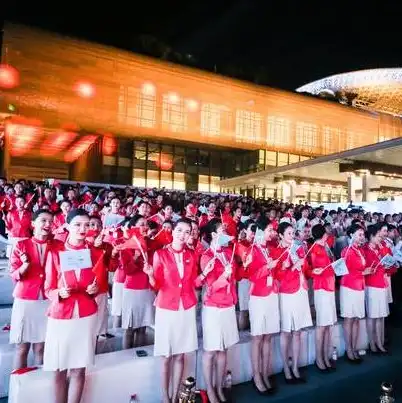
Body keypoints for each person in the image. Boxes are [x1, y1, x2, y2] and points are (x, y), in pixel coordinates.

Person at [43, 209, 104, 403]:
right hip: (61, 314)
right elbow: (47, 288)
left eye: (87, 225)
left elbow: (99, 285)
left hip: (86, 313)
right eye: (77, 224)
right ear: (68, 226)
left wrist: (94, 288)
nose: (83, 229)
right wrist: (58, 293)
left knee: (79, 367)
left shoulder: (94, 253)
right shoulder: (55, 252)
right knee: (59, 368)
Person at [145, 219, 199, 403]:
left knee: (180, 353)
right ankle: (165, 396)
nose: (182, 234)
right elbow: (156, 285)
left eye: (187, 231)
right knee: (166, 355)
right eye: (179, 230)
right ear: (172, 231)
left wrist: (205, 274)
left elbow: (192, 282)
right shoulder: (160, 254)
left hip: (186, 307)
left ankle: (176, 395)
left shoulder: (192, 255)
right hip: (167, 307)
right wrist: (151, 275)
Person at [199, 219, 240, 403]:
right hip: (214, 306)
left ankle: (219, 385)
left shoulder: (227, 253)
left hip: (228, 304)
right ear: (214, 235)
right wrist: (224, 276)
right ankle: (210, 390)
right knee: (211, 350)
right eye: (222, 230)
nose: (226, 232)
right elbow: (211, 286)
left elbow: (235, 278)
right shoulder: (207, 256)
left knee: (223, 349)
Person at [9, 209, 55, 369]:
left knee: (41, 347)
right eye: (43, 220)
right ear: (33, 223)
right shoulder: (22, 245)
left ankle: (37, 385)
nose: (48, 224)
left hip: (47, 300)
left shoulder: (56, 245)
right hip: (26, 300)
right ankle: (19, 385)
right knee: (22, 348)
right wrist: (25, 265)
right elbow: (14, 274)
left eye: (51, 221)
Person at [272, 222, 312, 383]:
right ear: (281, 235)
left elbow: (306, 269)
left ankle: (295, 366)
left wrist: (305, 266)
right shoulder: (277, 251)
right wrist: (291, 266)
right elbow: (277, 275)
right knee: (286, 331)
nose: (292, 236)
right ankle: (286, 367)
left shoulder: (299, 248)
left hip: (301, 290)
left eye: (293, 233)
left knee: (298, 331)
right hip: (287, 292)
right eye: (289, 233)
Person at [244, 222, 279, 393]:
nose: (272, 232)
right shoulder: (253, 250)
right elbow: (251, 276)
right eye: (269, 229)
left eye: (273, 230)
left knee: (268, 336)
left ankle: (265, 373)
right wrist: (267, 268)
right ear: (260, 231)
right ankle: (256, 375)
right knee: (258, 337)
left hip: (271, 294)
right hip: (258, 296)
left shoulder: (269, 249)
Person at [309, 224, 337, 371]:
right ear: (322, 234)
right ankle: (319, 358)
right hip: (322, 287)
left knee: (328, 325)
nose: (328, 235)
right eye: (326, 233)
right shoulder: (315, 248)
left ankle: (325, 356)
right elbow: (317, 268)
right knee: (321, 325)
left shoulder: (325, 246)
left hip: (330, 286)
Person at [340, 224, 366, 363]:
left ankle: (354, 347)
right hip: (349, 287)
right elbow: (347, 270)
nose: (362, 237)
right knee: (349, 319)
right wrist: (363, 272)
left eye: (362, 234)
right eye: (359, 234)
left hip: (359, 286)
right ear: (351, 235)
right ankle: (348, 349)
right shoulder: (347, 250)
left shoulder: (360, 250)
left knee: (356, 319)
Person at [363, 224, 389, 354]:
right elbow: (365, 268)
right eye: (378, 236)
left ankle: (380, 342)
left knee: (380, 316)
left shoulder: (380, 248)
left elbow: (385, 263)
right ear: (371, 236)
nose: (380, 238)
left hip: (381, 284)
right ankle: (372, 343)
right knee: (372, 316)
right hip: (371, 285)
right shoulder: (365, 250)